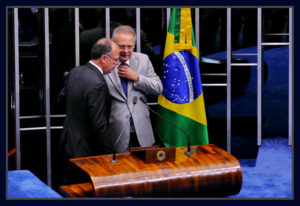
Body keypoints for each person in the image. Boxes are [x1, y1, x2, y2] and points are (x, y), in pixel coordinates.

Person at [103, 25, 163, 153]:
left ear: (134, 45)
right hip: (116, 133)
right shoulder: (104, 62)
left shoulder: (143, 59)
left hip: (142, 133)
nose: (126, 50)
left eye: (129, 46)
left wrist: (137, 77)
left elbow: (158, 88)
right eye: (121, 46)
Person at [60, 38, 120, 161]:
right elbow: (99, 125)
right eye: (115, 59)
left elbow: (60, 101)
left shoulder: (75, 71)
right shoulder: (98, 84)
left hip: (68, 142)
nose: (117, 63)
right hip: (86, 150)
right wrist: (111, 153)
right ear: (104, 58)